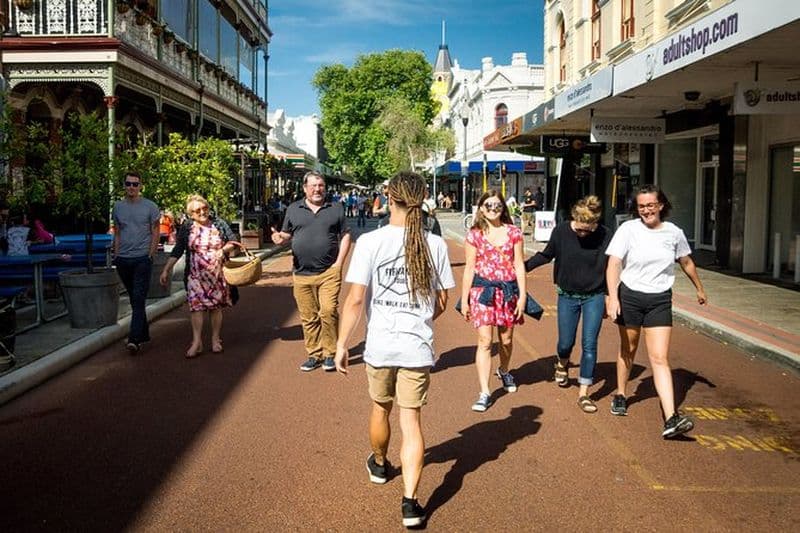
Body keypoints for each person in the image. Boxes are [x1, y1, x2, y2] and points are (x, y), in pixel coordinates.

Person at [334, 171, 455, 529]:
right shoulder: (434, 244)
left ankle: (379, 463)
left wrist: (341, 344)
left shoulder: (370, 242)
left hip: (381, 345)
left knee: (380, 409)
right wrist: (419, 316)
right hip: (416, 346)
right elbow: (443, 300)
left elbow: (355, 299)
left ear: (390, 199)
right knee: (411, 421)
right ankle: (411, 503)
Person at [605, 184, 707, 438]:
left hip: (660, 299)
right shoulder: (628, 229)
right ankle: (620, 393)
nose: (646, 210)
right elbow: (614, 263)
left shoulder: (674, 233)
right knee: (628, 348)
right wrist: (613, 297)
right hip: (630, 296)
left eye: (651, 205)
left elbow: (685, 261)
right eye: (642, 206)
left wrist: (699, 288)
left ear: (661, 205)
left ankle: (671, 417)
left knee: (659, 358)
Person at [525, 195, 611, 413]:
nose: (583, 234)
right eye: (579, 230)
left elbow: (613, 266)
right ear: (574, 219)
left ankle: (584, 393)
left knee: (589, 343)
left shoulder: (605, 235)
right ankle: (562, 363)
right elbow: (546, 255)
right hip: (567, 295)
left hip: (595, 295)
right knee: (566, 343)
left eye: (587, 230)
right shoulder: (562, 231)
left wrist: (611, 296)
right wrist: (521, 268)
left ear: (595, 224)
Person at [271, 170, 351, 372]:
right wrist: (279, 239)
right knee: (308, 316)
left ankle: (330, 353)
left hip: (329, 272)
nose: (317, 189)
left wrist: (339, 263)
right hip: (301, 273)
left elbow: (346, 236)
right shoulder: (293, 209)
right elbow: (286, 234)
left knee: (328, 311)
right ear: (305, 188)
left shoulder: (336, 208)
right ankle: (314, 354)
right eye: (313, 185)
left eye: (321, 185)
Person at [461, 190, 526, 412]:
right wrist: (464, 299)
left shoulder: (514, 233)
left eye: (497, 205)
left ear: (503, 208)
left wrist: (523, 296)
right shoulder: (474, 235)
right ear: (480, 208)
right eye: (488, 205)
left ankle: (504, 370)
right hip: (483, 292)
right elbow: (469, 267)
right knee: (485, 341)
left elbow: (519, 265)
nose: (492, 209)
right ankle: (484, 391)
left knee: (506, 340)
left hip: (507, 291)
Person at [160, 195, 237, 358]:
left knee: (216, 307)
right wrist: (167, 269)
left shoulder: (219, 223)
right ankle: (197, 342)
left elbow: (233, 242)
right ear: (191, 214)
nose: (202, 212)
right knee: (196, 307)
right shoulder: (187, 227)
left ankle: (215, 339)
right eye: (197, 210)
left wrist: (222, 251)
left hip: (216, 274)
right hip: (195, 275)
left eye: (204, 209)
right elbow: (178, 249)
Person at [112, 172, 161, 354]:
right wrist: (116, 254)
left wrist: (150, 253)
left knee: (139, 298)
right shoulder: (117, 207)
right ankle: (144, 333)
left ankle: (134, 339)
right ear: (124, 186)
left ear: (141, 186)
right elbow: (117, 231)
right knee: (134, 298)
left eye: (135, 184)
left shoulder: (150, 206)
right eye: (128, 184)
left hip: (142, 258)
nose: (131, 187)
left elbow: (155, 231)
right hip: (123, 259)